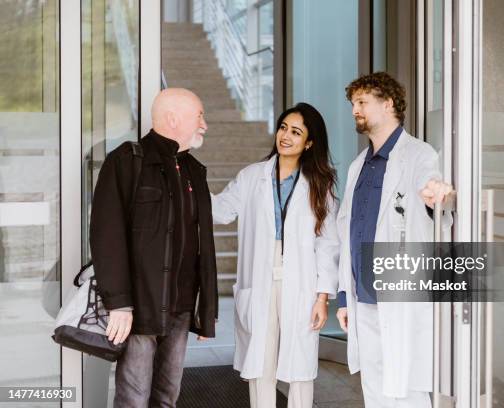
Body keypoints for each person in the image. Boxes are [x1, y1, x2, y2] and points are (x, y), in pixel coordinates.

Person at [90, 88, 218, 407]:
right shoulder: (126, 161)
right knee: (134, 397)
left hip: (181, 307)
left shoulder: (194, 171)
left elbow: (204, 245)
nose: (204, 124)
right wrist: (119, 303)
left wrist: (207, 312)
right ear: (173, 118)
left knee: (167, 396)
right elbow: (107, 235)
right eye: (199, 116)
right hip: (140, 306)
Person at [335, 72, 453, 408]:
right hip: (363, 297)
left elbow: (431, 188)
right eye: (353, 103)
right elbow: (349, 232)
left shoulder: (418, 155)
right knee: (374, 388)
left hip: (400, 293)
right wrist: (344, 295)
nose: (355, 110)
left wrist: (437, 195)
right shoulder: (360, 165)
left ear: (387, 104)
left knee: (408, 390)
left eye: (362, 102)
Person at [211, 102, 339, 408]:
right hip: (261, 276)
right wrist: (188, 183)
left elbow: (328, 243)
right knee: (261, 360)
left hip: (301, 280)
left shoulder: (321, 184)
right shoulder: (252, 176)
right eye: (283, 128)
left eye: (296, 132)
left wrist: (322, 297)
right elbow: (221, 210)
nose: (286, 136)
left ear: (309, 143)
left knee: (300, 363)